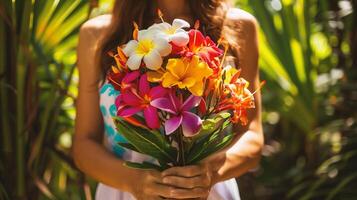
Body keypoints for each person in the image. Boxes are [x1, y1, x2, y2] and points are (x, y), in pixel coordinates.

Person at [73, 0, 263, 199]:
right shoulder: (97, 34)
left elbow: (252, 136)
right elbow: (84, 145)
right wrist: (134, 181)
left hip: (208, 193)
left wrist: (210, 173)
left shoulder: (239, 27)